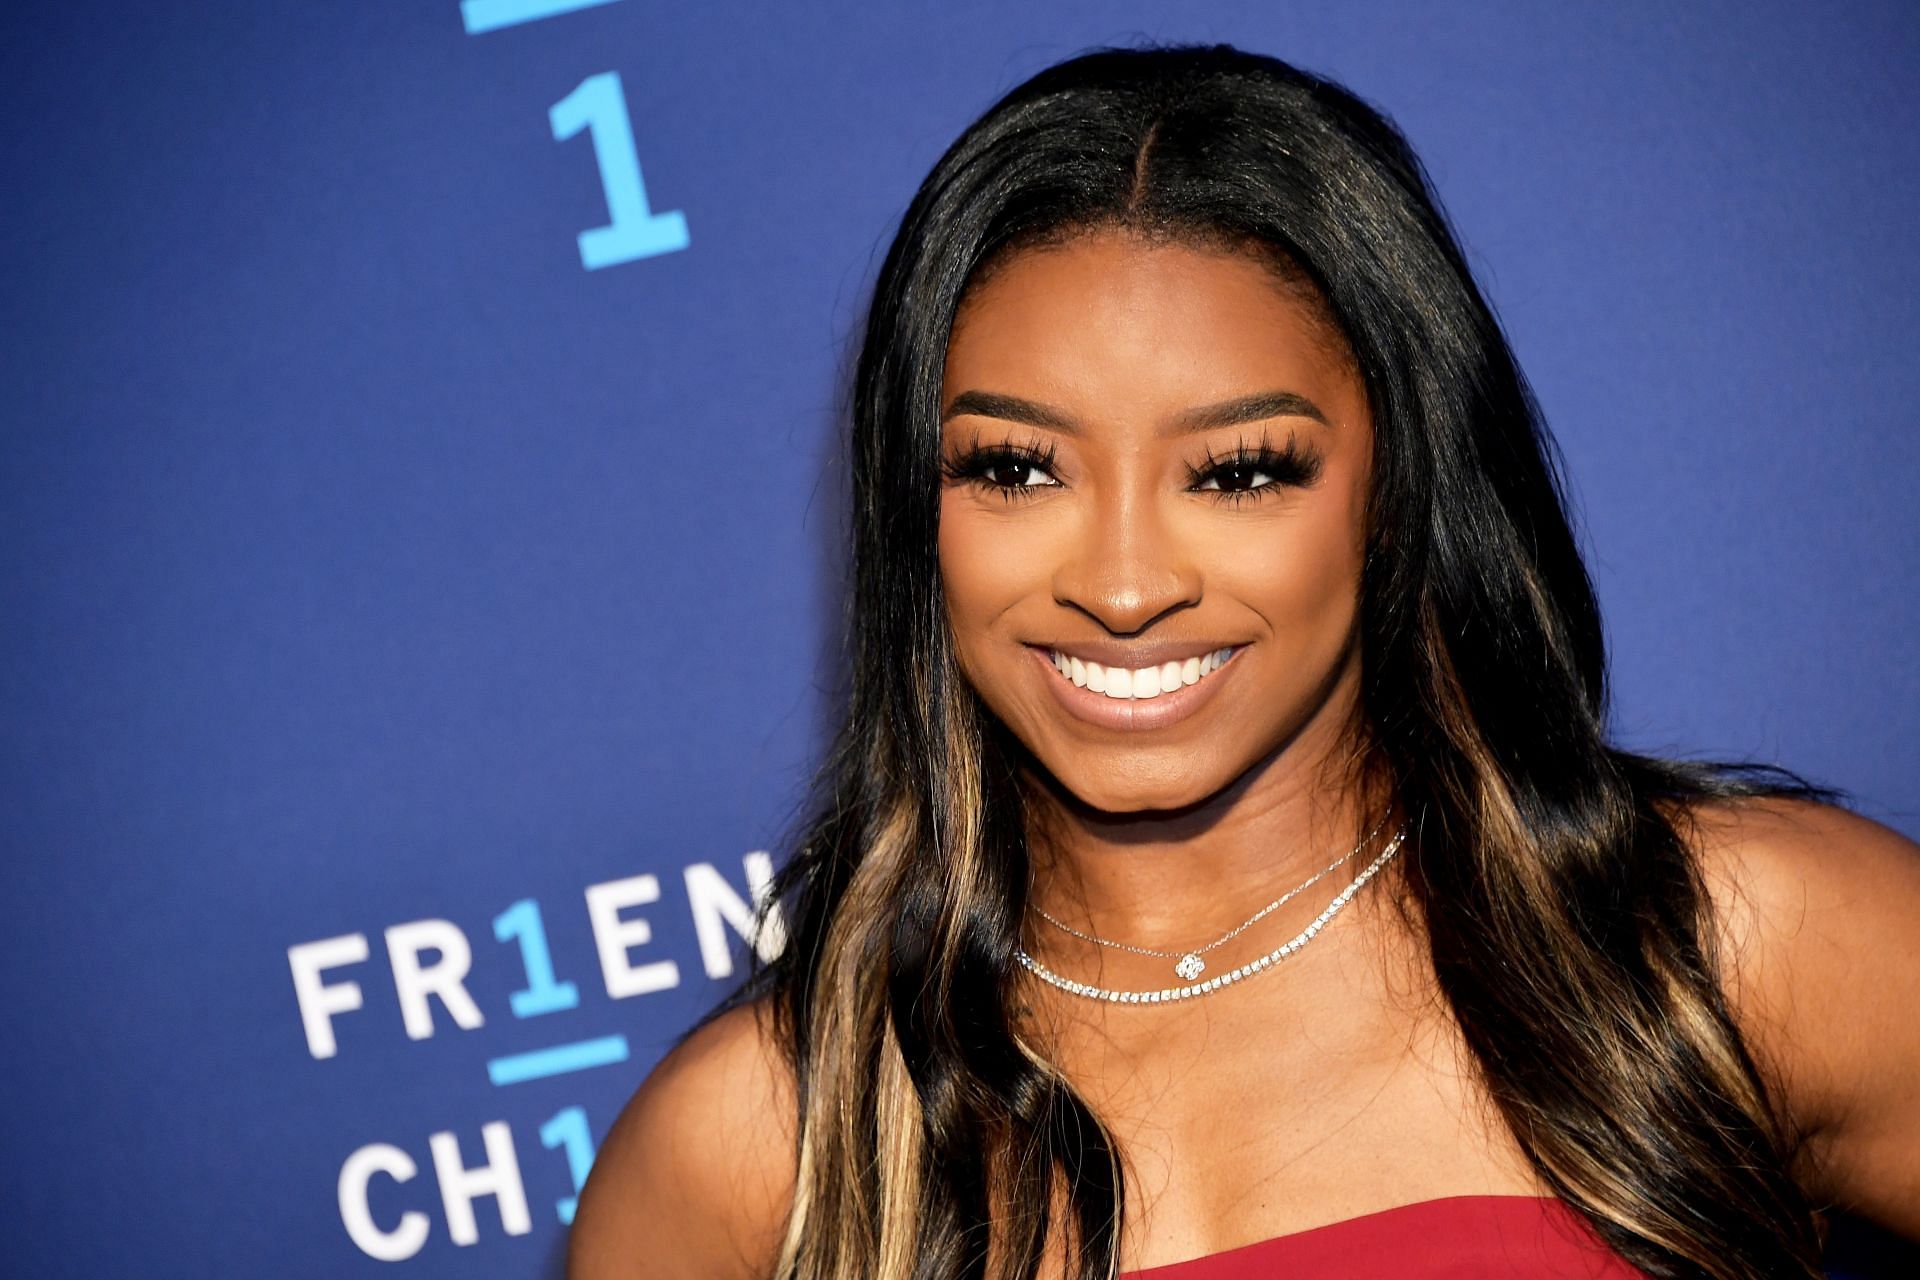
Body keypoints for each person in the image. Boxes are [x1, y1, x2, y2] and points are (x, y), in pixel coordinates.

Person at [568, 43, 1920, 1279]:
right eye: (1016, 467)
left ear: (1399, 486)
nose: (1123, 585)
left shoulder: (1731, 945)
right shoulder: (764, 1147)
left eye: (1239, 472)